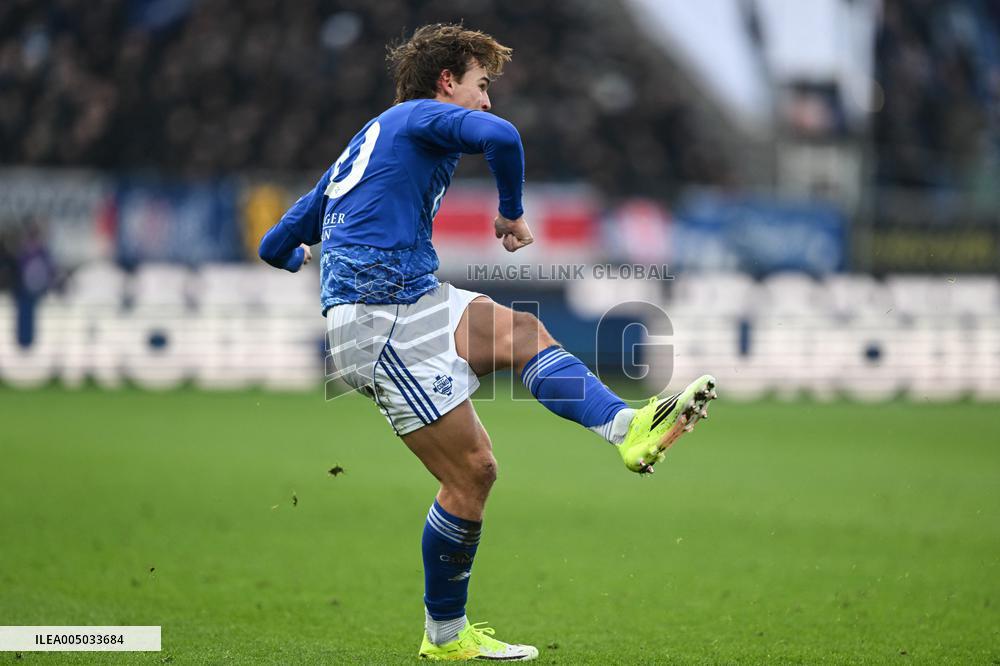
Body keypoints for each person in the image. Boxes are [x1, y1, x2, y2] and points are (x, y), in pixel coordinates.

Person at [258, 23, 716, 662]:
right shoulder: (418, 117)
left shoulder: (371, 142)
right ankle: (445, 637)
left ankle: (628, 427)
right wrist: (510, 211)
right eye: (481, 84)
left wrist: (296, 255)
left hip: (412, 300)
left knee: (523, 333)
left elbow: (274, 242)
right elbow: (503, 137)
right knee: (472, 472)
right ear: (446, 82)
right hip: (378, 321)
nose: (488, 99)